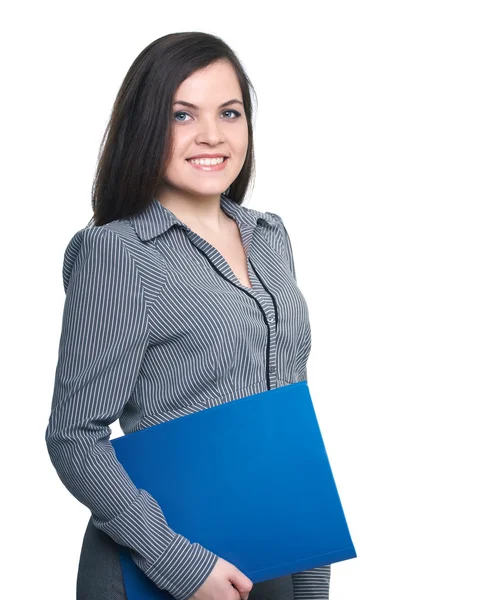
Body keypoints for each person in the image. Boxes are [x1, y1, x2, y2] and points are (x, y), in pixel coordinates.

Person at [45, 31, 331, 600]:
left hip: (276, 551)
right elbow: (73, 437)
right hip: (164, 565)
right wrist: (180, 564)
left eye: (230, 112)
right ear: (145, 125)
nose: (212, 135)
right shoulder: (118, 252)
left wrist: (313, 562)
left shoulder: (270, 237)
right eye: (182, 114)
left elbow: (288, 407)